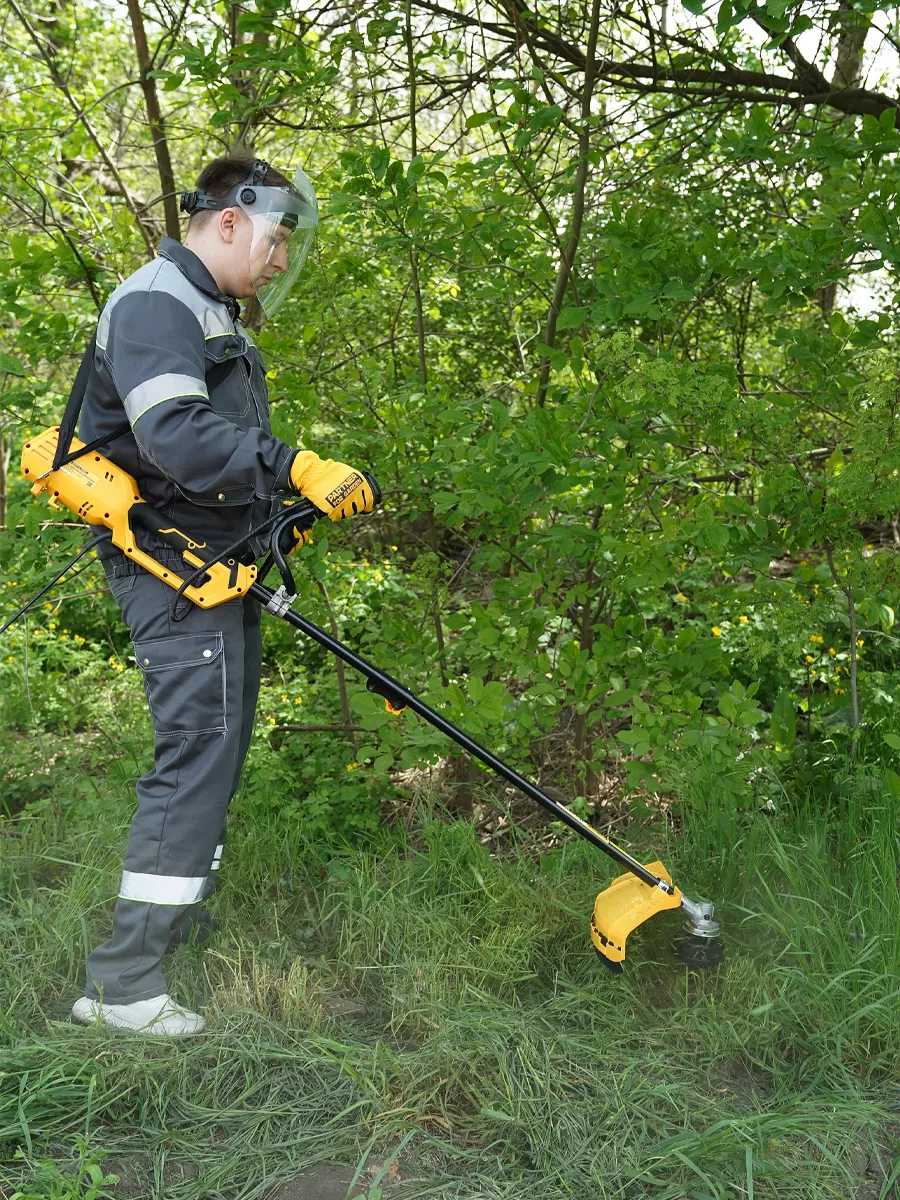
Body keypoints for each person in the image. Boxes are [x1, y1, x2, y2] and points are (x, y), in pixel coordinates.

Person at [69, 154, 375, 1036]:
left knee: (223, 740)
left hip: (213, 559)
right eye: (278, 241)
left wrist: (280, 509)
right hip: (169, 566)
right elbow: (173, 436)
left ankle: (174, 921)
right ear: (231, 220)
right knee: (196, 751)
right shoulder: (158, 300)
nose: (281, 262)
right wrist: (296, 466)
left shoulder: (206, 307)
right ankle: (122, 987)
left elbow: (218, 448)